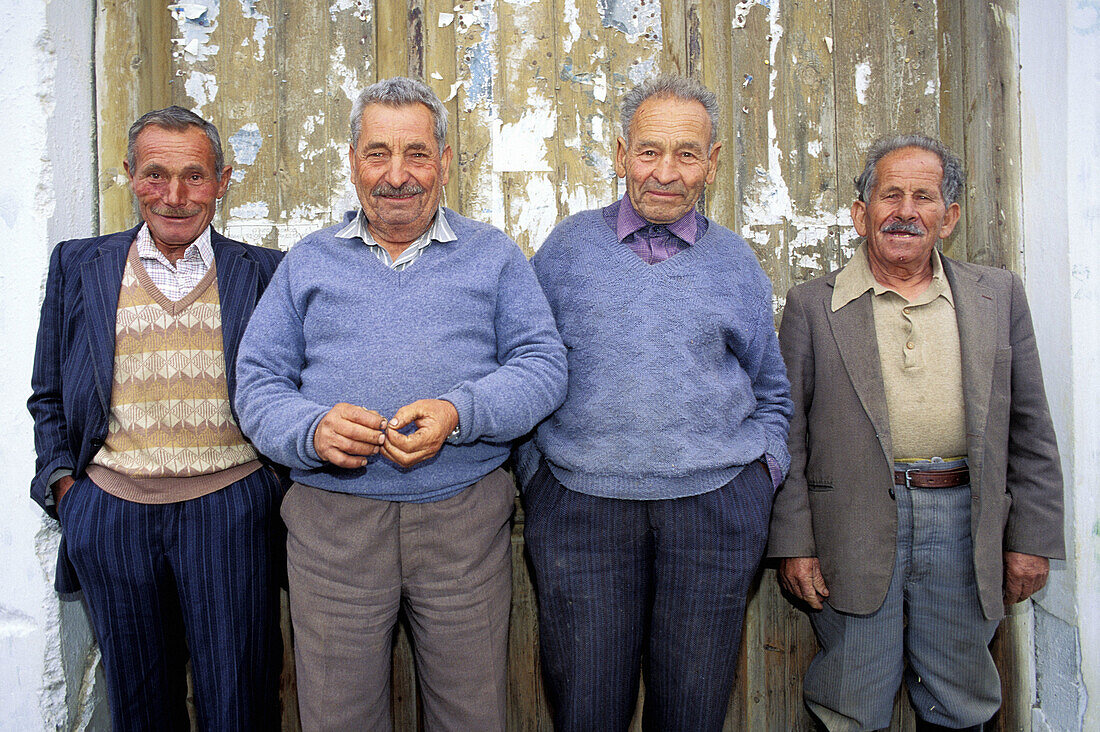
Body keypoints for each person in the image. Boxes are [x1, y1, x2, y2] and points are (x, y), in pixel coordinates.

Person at [234, 76, 567, 731]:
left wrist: (459, 412)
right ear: (353, 161)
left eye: (416, 153)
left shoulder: (493, 257)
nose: (397, 175)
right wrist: (310, 430)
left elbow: (543, 366)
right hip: (333, 531)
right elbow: (257, 383)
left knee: (470, 714)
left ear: (444, 161)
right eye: (378, 153)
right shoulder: (308, 263)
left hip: (463, 524)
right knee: (337, 718)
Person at [518, 74, 793, 731]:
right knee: (586, 710)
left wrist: (759, 479)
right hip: (582, 512)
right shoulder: (566, 252)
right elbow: (523, 368)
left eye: (687, 153)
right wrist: (541, 480)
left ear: (713, 161)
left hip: (714, 511)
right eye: (648, 151)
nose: (666, 172)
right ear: (620, 154)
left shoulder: (735, 262)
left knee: (692, 713)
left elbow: (772, 391)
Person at [768, 134, 1064, 731]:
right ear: (861, 214)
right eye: (890, 195)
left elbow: (1031, 427)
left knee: (959, 695)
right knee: (851, 695)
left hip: (965, 521)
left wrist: (1032, 536)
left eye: (923, 198)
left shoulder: (995, 296)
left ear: (948, 217)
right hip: (850, 527)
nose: (905, 212)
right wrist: (794, 543)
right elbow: (787, 434)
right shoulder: (811, 306)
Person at [28, 106, 285, 729]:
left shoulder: (267, 273)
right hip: (112, 515)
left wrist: (268, 489)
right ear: (128, 175)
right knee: (140, 705)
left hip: (230, 511)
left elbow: (290, 392)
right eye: (155, 174)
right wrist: (69, 492)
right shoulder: (78, 265)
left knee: (240, 700)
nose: (174, 196)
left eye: (194, 176)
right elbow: (49, 394)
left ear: (223, 181)